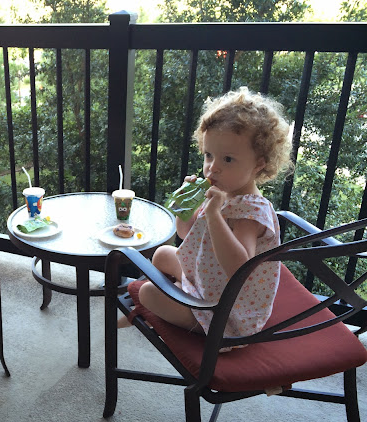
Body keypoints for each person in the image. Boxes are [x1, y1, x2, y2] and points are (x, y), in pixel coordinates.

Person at [118, 87, 293, 343]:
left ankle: (170, 308)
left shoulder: (250, 212)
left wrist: (214, 216)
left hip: (227, 310)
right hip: (208, 281)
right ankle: (178, 295)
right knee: (163, 254)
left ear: (258, 164)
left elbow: (238, 267)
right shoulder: (222, 193)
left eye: (228, 159)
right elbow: (185, 233)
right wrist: (186, 205)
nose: (213, 167)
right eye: (209, 155)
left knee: (147, 294)